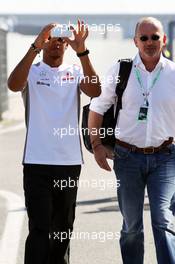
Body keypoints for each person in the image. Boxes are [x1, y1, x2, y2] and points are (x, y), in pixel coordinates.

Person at [8, 20, 100, 264]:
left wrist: (82, 51)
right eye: (51, 38)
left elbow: (95, 91)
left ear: (67, 45)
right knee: (39, 228)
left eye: (61, 39)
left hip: (69, 163)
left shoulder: (75, 71)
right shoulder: (33, 70)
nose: (56, 43)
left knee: (62, 229)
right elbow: (13, 84)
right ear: (43, 42)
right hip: (36, 163)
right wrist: (35, 46)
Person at [88, 17, 175, 264]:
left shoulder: (172, 73)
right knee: (132, 227)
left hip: (166, 158)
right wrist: (96, 146)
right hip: (127, 159)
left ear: (163, 40)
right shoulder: (120, 70)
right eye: (144, 38)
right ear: (135, 40)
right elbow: (97, 107)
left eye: (155, 37)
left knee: (163, 220)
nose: (150, 42)